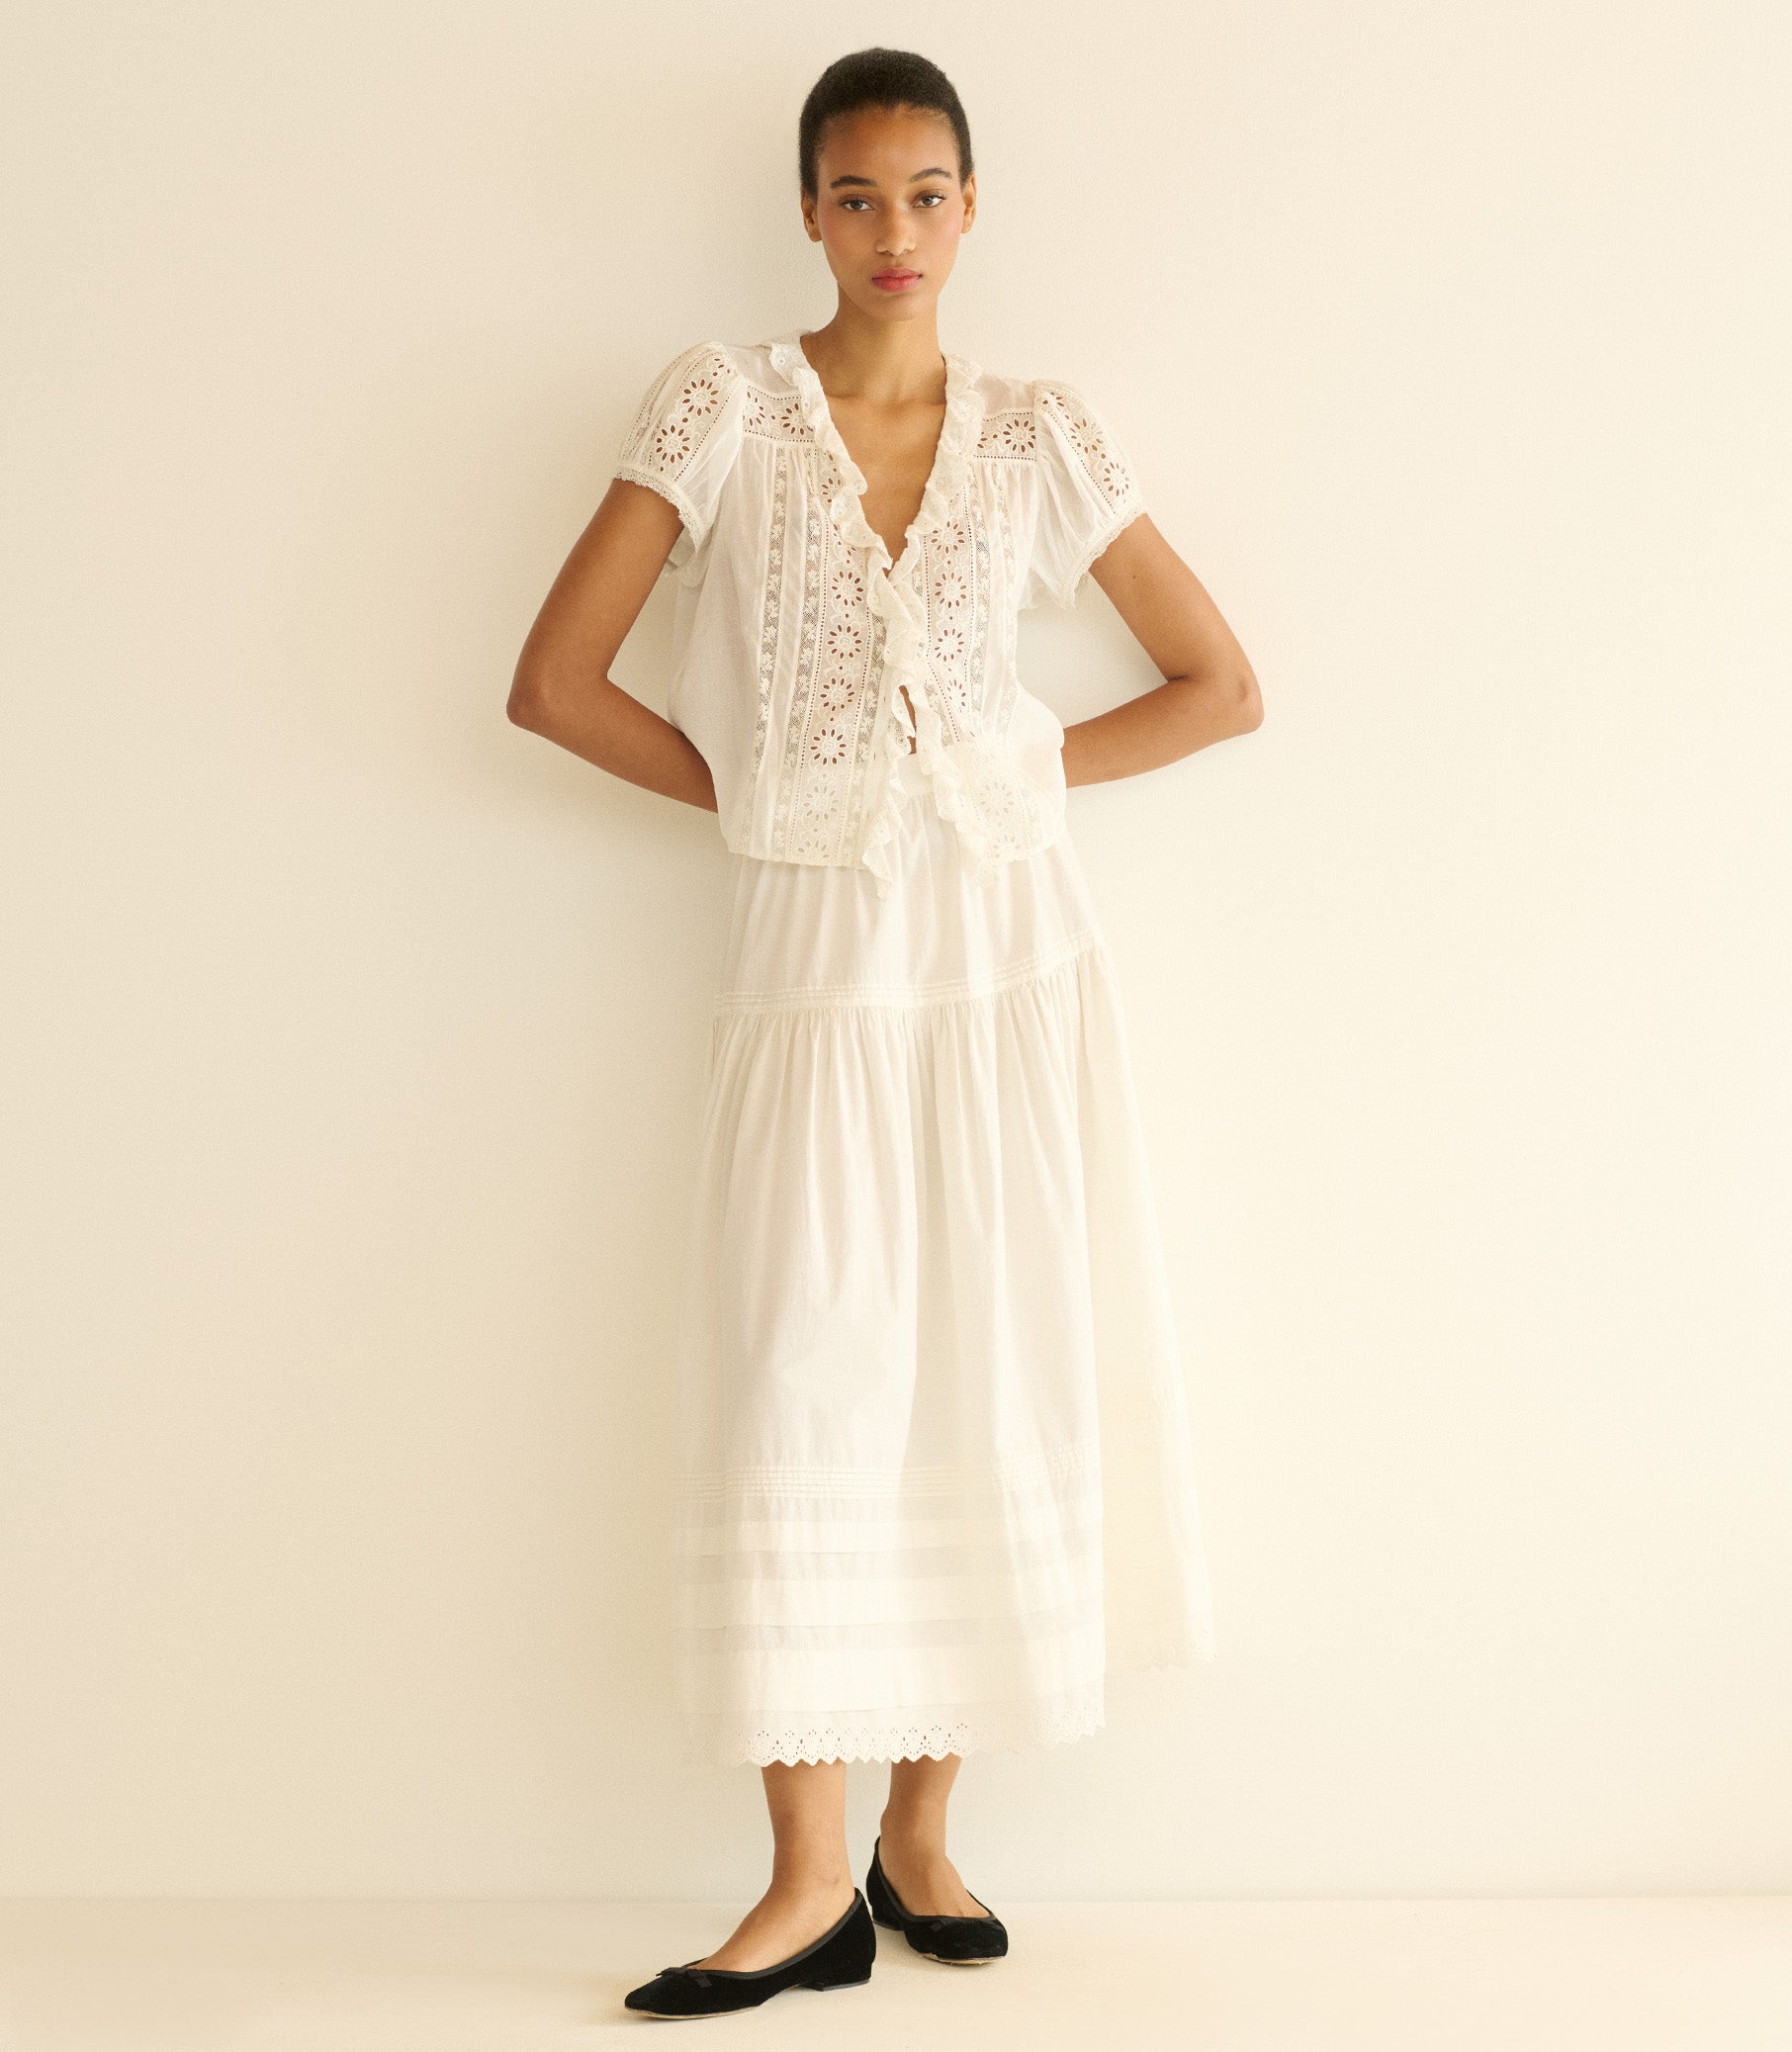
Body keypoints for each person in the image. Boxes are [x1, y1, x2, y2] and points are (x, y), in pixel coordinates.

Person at [508, 46, 1262, 2021]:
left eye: (929, 192)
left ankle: (926, 1836)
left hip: (1008, 963)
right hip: (814, 968)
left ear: (976, 204)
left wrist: (1008, 782)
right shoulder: (722, 406)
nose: (895, 231)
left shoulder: (1037, 434)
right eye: (858, 195)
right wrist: (770, 798)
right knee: (800, 1391)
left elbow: (1216, 683)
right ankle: (799, 1884)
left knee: (992, 1375)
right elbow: (557, 681)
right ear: (809, 211)